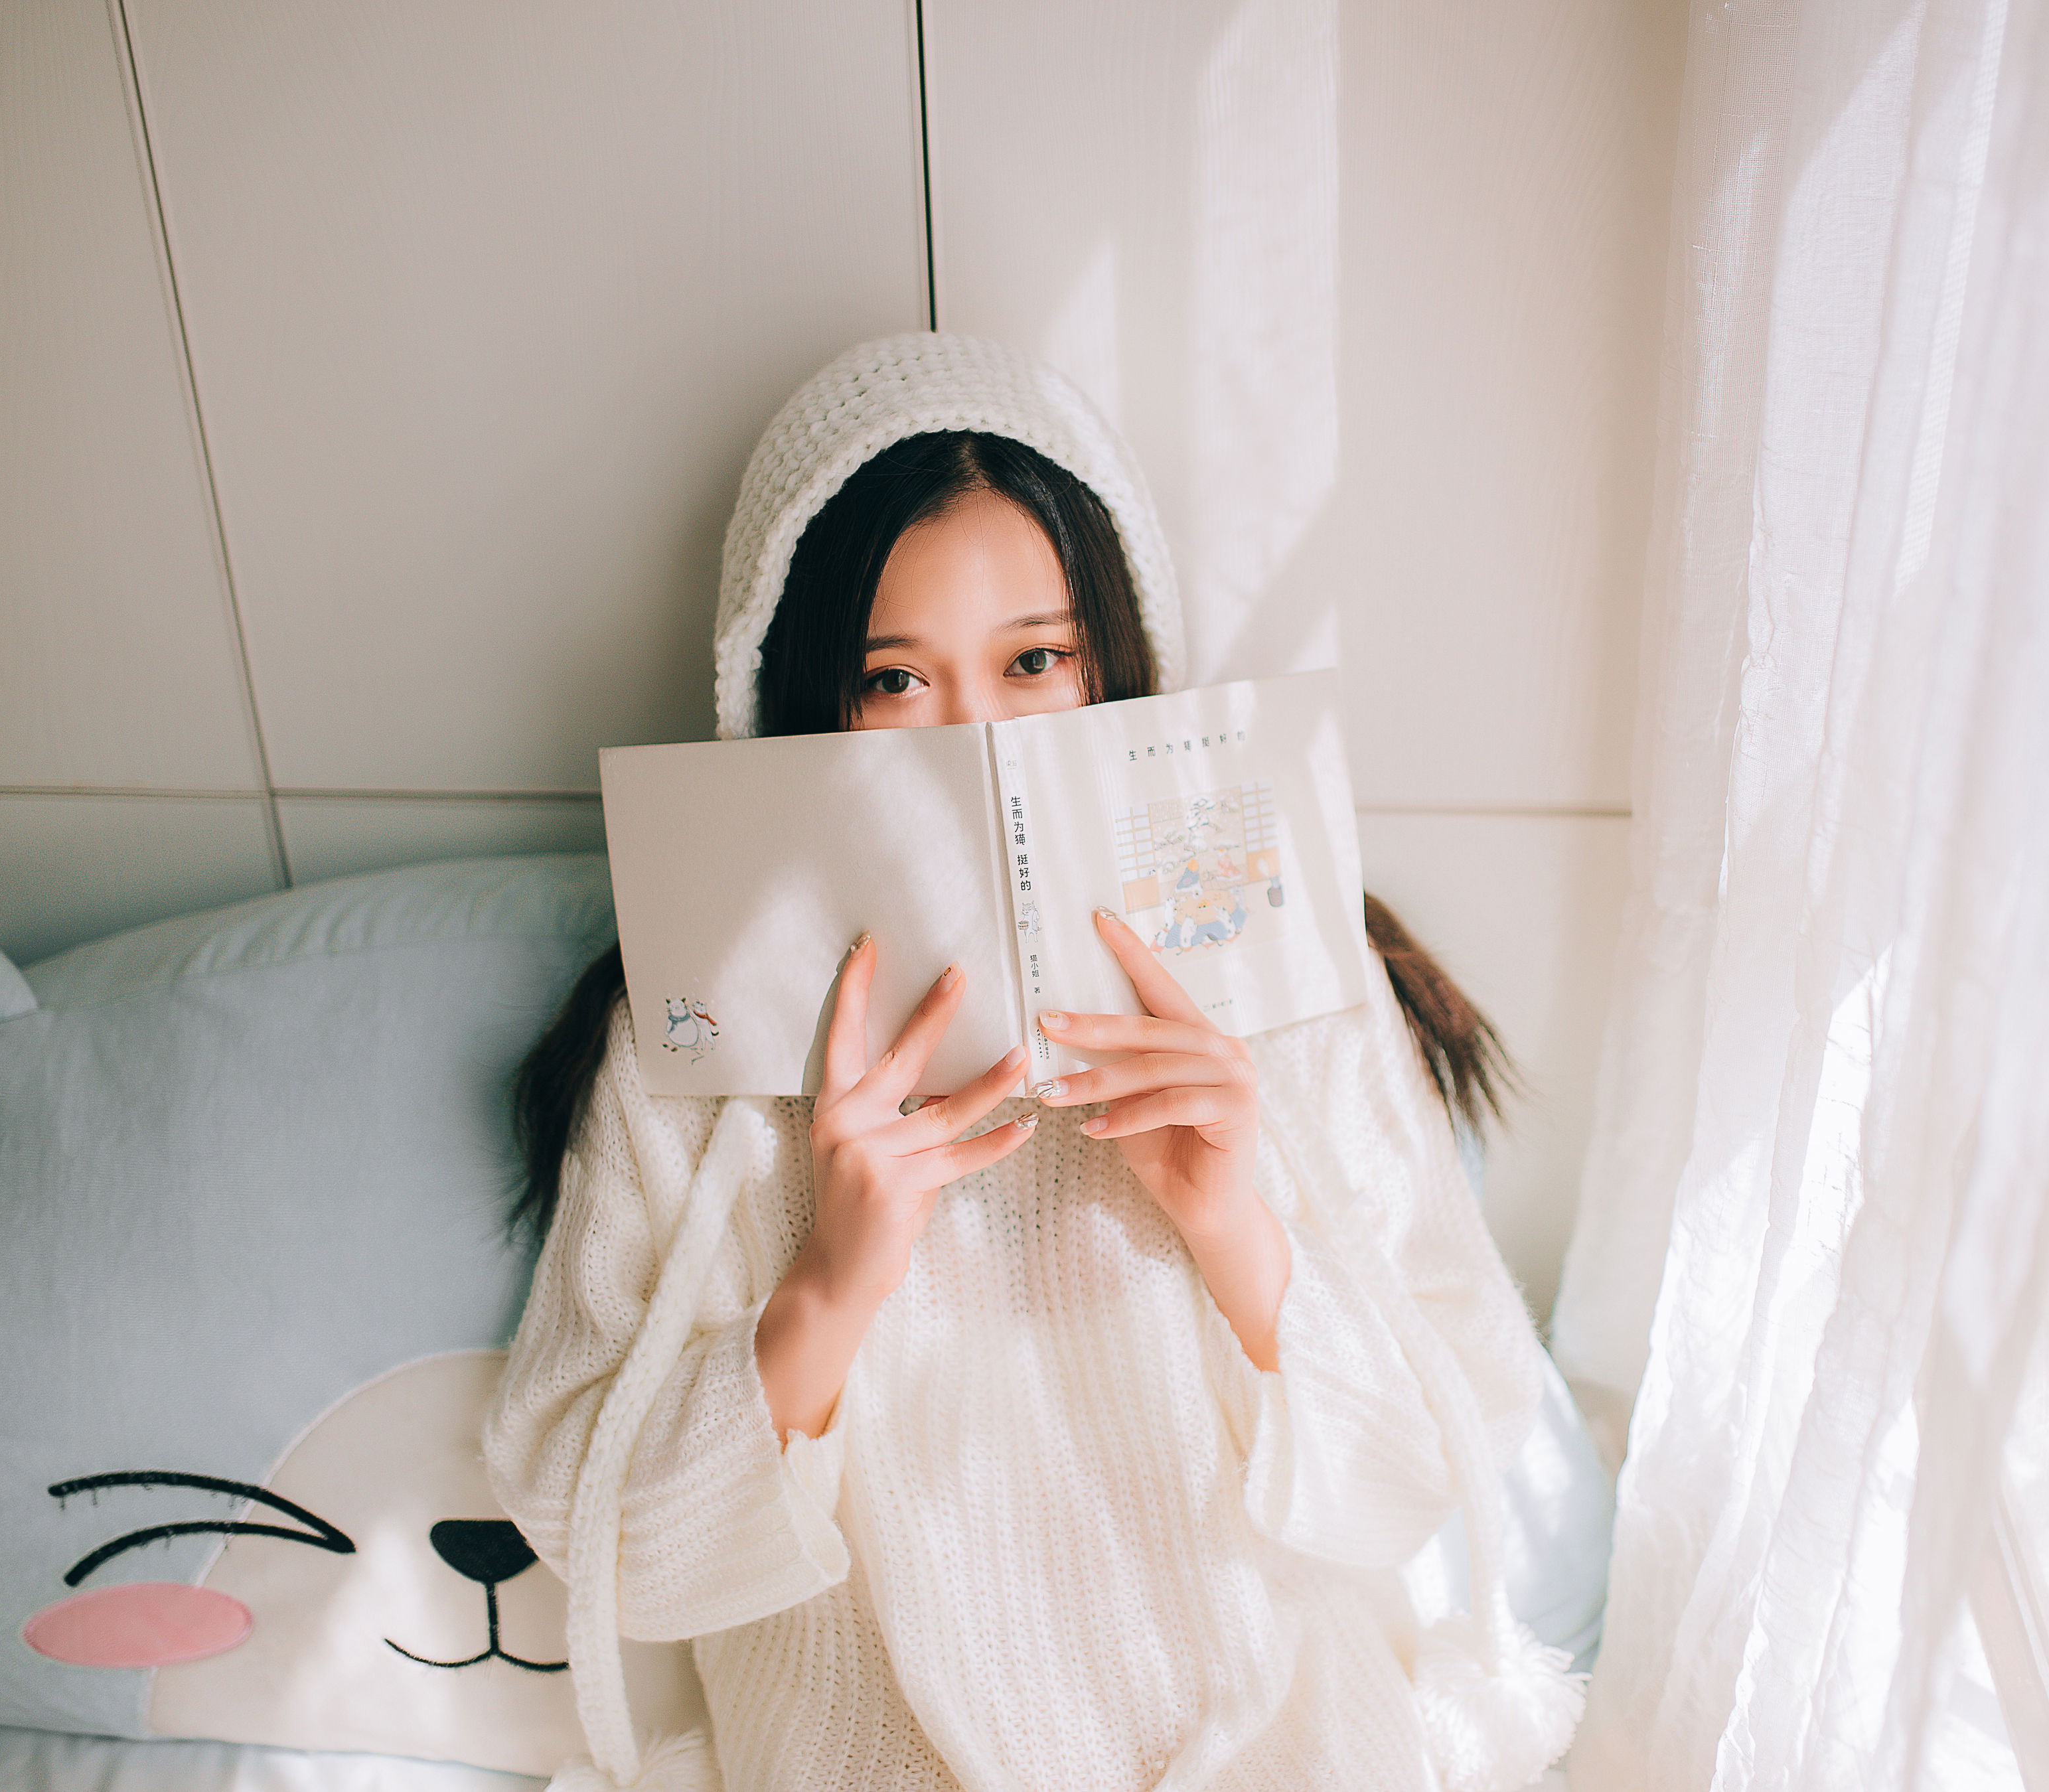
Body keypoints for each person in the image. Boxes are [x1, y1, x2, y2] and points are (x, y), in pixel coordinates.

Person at [484, 335, 1578, 1792]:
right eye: (894, 679)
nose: (977, 737)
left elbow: (1435, 1463)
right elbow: (599, 1531)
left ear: (1120, 666)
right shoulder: (697, 1039)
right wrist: (830, 1284)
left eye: (1036, 661)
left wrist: (1235, 1230)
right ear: (804, 697)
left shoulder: (1288, 982)